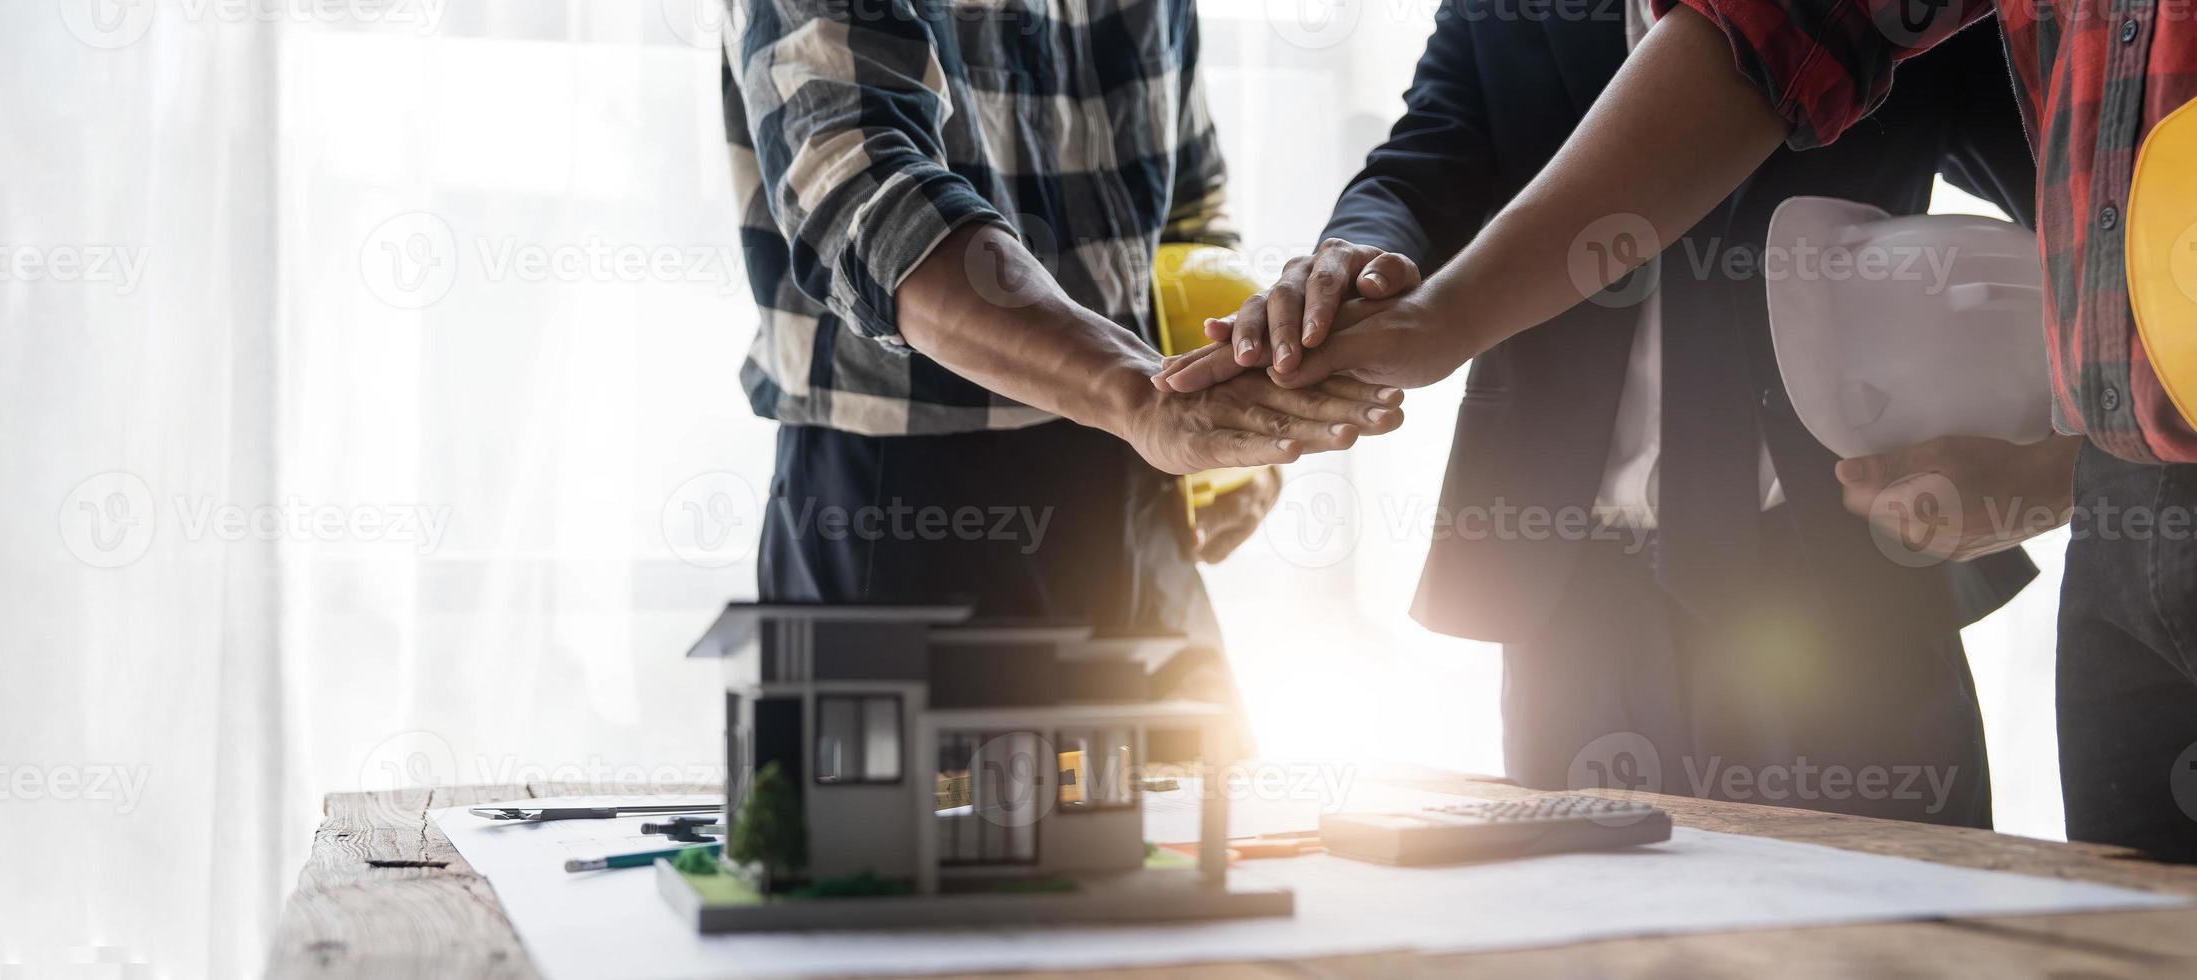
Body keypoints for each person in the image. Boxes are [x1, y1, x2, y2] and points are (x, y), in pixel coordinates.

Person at [1164, 1, 2192, 857]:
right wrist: (1354, 254)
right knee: (1576, 940)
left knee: (1887, 938)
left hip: (1841, 578)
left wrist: (2058, 463)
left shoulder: (1921, 26)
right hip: (1572, 590)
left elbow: (2102, 217)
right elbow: (1425, 158)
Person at [718, 2, 1403, 705]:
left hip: (1133, 463)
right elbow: (871, 206)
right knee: (901, 811)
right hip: (898, 499)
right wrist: (1137, 391)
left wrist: (1234, 396)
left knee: (1190, 801)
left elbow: (1189, 211)